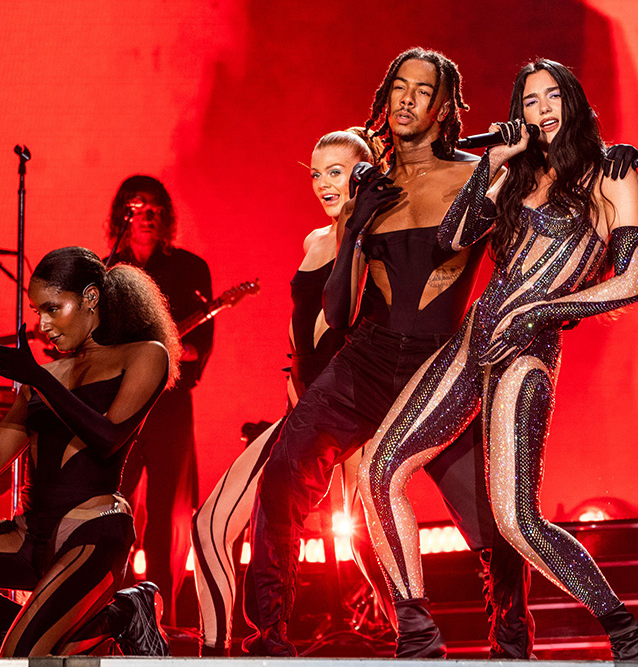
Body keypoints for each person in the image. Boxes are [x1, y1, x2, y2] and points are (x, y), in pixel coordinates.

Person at [358, 58, 638, 661]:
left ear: (573, 100)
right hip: (472, 342)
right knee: (377, 472)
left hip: (527, 354)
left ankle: (626, 632)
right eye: (528, 101)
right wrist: (493, 164)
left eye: (552, 97)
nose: (541, 111)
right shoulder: (514, 171)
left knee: (515, 519)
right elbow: (454, 238)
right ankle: (417, 635)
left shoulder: (609, 173)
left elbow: (631, 281)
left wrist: (538, 313)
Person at [244, 47, 533, 658]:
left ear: (446, 107)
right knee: (283, 475)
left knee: (493, 514)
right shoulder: (371, 186)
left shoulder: (482, 173)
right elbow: (340, 311)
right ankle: (269, 638)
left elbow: (527, 254)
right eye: (397, 86)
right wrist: (355, 226)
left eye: (422, 90)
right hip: (368, 362)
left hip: (443, 366)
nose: (405, 99)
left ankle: (512, 641)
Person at [191, 130, 398, 655]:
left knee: (367, 543)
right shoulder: (314, 241)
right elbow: (301, 325)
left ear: (363, 173)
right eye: (316, 173)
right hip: (302, 406)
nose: (324, 184)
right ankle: (221, 652)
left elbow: (347, 319)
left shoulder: (377, 233)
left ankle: (413, 641)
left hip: (351, 407)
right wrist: (292, 381)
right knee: (210, 526)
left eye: (337, 172)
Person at [0, 246, 179, 655]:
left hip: (92, 534)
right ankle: (113, 618)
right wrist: (35, 381)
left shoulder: (145, 355)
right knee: (37, 649)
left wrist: (39, 382)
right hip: (30, 536)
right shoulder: (41, 377)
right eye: (36, 311)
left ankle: (111, 616)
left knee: (19, 658)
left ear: (90, 298)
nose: (42, 324)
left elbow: (108, 437)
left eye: (52, 308)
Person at [106, 175, 214, 624]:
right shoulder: (107, 272)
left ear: (165, 215)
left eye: (153, 208)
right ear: (122, 217)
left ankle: (163, 615)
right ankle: (110, 605)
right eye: (135, 207)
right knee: (113, 506)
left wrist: (171, 347)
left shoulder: (190, 268)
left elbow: (198, 345)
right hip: (121, 407)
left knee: (169, 510)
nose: (145, 216)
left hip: (168, 402)